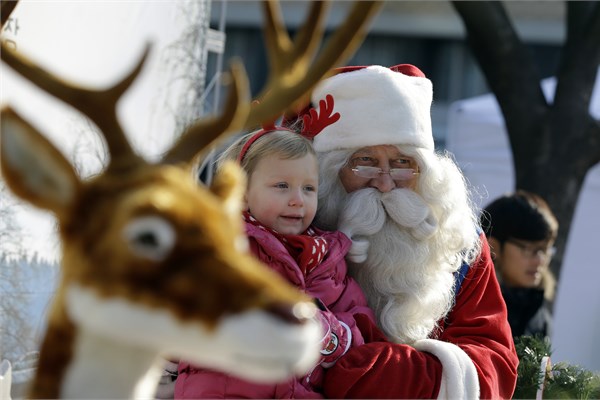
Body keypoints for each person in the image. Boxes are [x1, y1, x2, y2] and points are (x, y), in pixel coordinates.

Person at [284, 64, 519, 399]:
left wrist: (394, 376)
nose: (384, 182)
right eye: (364, 160)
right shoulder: (289, 235)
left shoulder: (456, 242)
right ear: (328, 173)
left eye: (402, 163)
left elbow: (494, 359)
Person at [174, 126, 376, 398]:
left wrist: (331, 331)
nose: (297, 200)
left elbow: (360, 325)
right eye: (282, 186)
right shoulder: (226, 246)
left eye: (308, 188)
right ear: (242, 194)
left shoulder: (327, 259)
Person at [480, 190, 558, 339]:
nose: (540, 260)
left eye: (545, 250)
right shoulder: (470, 306)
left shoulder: (538, 313)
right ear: (492, 246)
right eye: (528, 249)